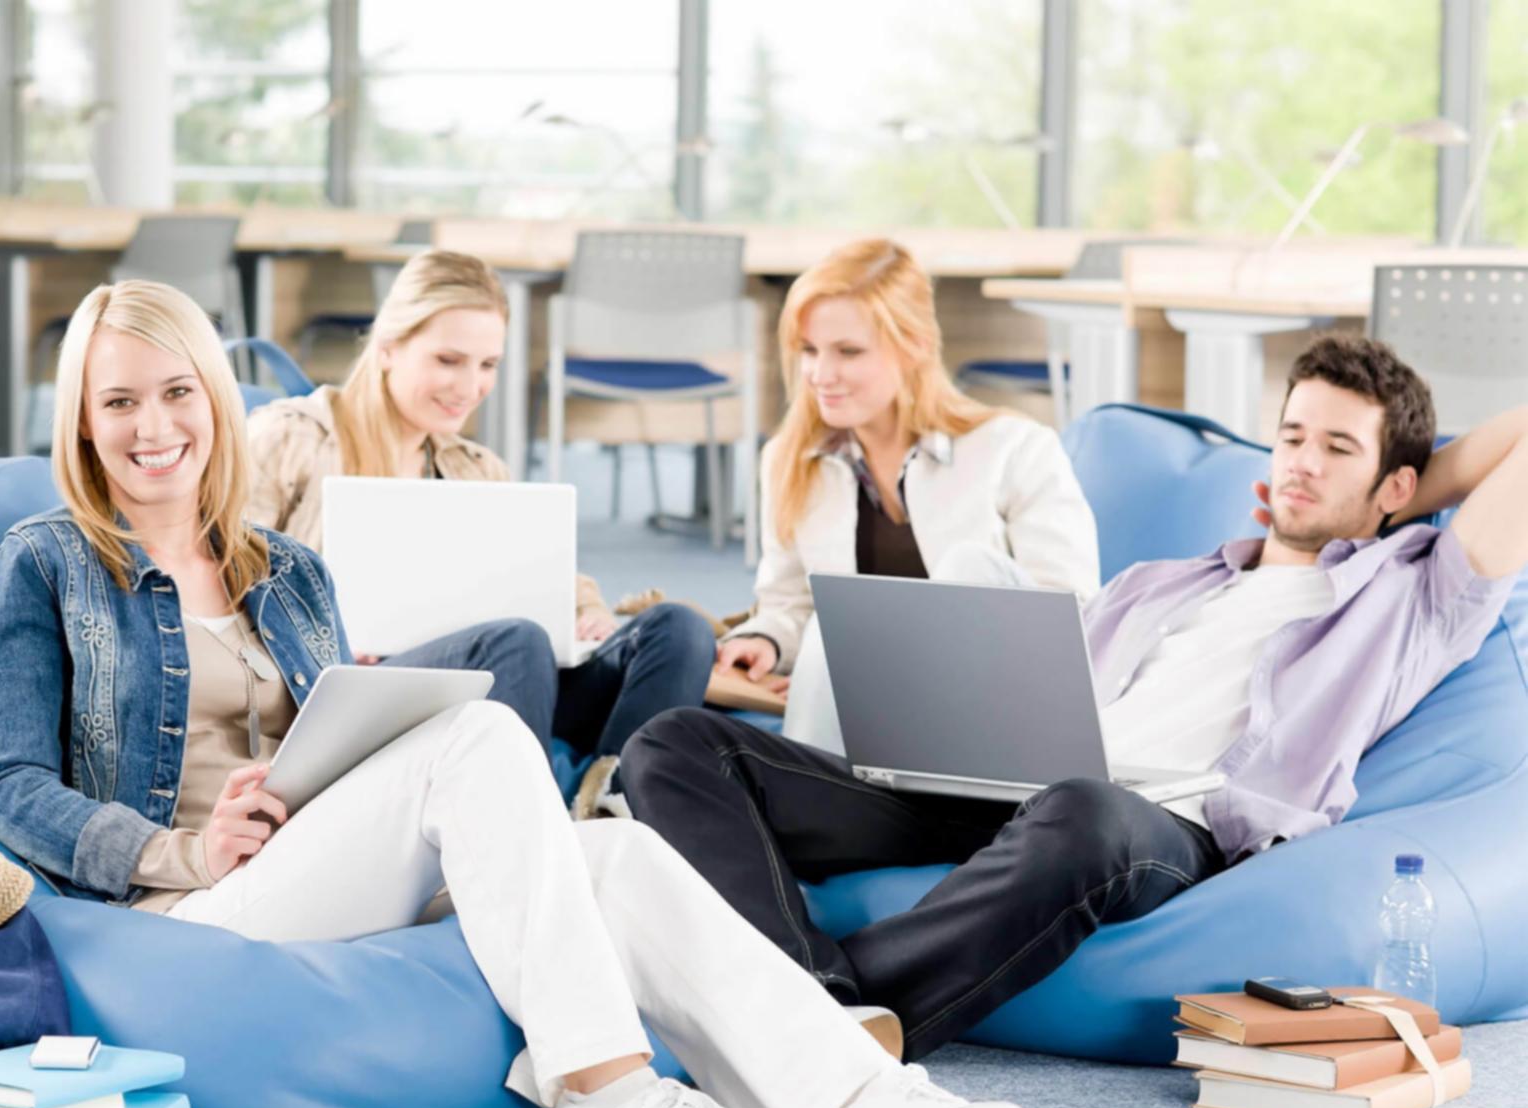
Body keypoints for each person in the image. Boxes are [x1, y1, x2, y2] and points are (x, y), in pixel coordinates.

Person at [0, 278, 1038, 1108]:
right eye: (119, 402)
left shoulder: (286, 572)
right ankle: (603, 1094)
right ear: (83, 421)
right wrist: (183, 852)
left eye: (175, 393)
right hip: (183, 913)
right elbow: (4, 784)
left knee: (612, 853)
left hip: (310, 869)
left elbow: (331, 748)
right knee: (480, 735)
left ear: (212, 398)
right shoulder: (50, 561)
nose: (153, 427)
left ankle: (849, 1100)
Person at [623, 333, 1527, 1060]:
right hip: (1004, 790)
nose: (1301, 462)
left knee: (1085, 810)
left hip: (1150, 829)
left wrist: (1399, 501)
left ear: (1400, 485)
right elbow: (1037, 691)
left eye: (1338, 447)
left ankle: (793, 1029)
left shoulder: (1411, 597)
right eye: (1292, 436)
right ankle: (815, 996)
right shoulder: (1159, 581)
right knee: (678, 743)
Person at [244, 250, 713, 815]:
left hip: (503, 674)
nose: (470, 386)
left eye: (487, 365)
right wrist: (328, 645)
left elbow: (546, 573)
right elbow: (226, 580)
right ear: (388, 347)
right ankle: (530, 827)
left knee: (678, 628)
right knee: (518, 641)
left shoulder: (475, 466)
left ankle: (610, 801)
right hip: (361, 690)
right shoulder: (291, 438)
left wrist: (585, 608)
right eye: (449, 360)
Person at [717, 238, 1098, 752]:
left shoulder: (1016, 448)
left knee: (967, 568)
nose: (820, 375)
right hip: (867, 716)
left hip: (991, 705)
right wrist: (764, 640)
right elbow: (791, 602)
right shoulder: (789, 459)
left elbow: (1070, 616)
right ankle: (810, 796)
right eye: (809, 350)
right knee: (836, 626)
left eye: (848, 351)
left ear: (915, 346)